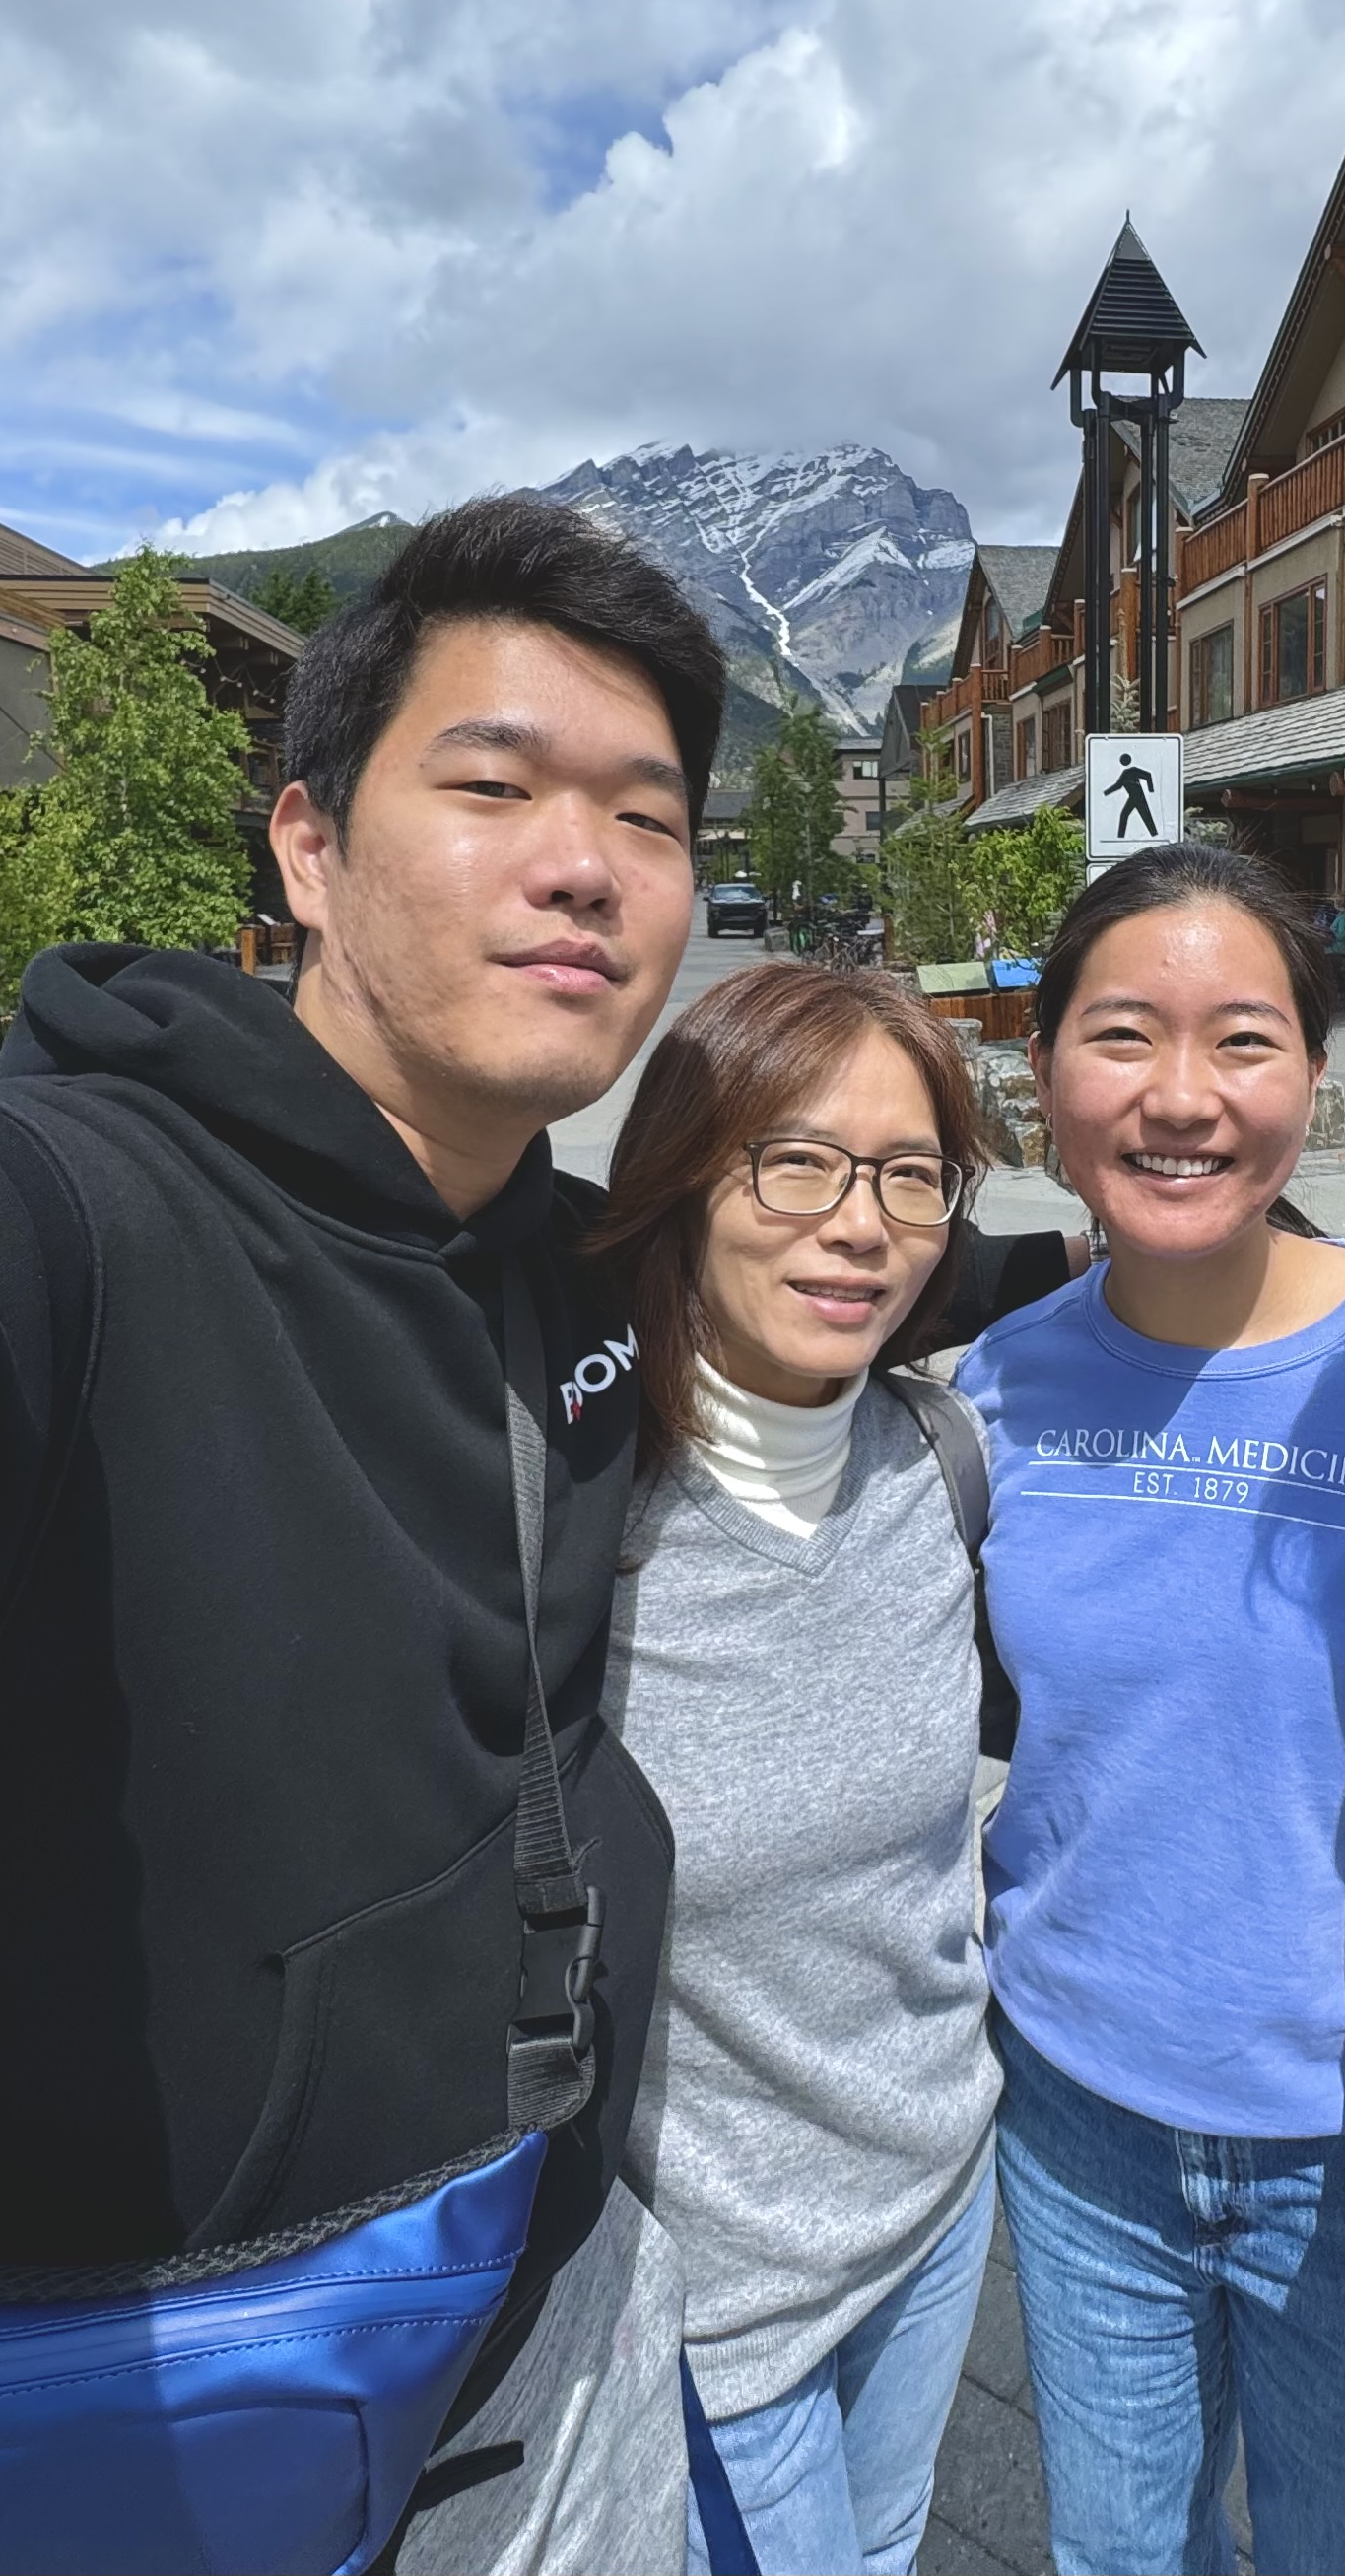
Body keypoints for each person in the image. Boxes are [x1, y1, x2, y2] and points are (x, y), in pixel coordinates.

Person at [0, 494, 731, 2574]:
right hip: (141, 2430)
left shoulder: (560, 1260)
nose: (584, 860)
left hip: (543, 2336)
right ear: (305, 848)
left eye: (648, 815)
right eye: (491, 783)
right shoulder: (47, 1214)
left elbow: (832, 1277)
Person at [961, 845, 1345, 2576]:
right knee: (1116, 2557)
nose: (1182, 1099)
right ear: (1042, 1067)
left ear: (1313, 1074)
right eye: (1123, 1036)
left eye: (1245, 1041)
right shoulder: (995, 1388)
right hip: (1075, 2109)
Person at [588, 960, 1003, 2576]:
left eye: (909, 1174)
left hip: (936, 2199)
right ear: (685, 1175)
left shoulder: (936, 1454)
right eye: (799, 1160)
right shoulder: (572, 1511)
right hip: (710, 2295)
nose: (861, 1222)